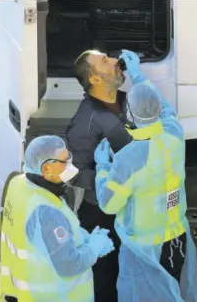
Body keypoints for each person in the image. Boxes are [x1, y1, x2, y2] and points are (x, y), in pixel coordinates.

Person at [93, 50, 197, 302]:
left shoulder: (127, 159)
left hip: (145, 251)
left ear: (128, 116)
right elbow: (165, 109)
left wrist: (102, 167)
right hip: (178, 239)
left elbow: (109, 204)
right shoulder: (174, 135)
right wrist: (138, 75)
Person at [0, 135, 114, 302]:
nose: (70, 166)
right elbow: (70, 265)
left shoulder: (18, 183)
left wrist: (84, 237)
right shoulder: (46, 211)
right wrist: (94, 248)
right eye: (64, 162)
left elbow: (38, 234)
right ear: (46, 169)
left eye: (68, 157)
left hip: (19, 292)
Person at [66, 49, 133, 302]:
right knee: (107, 282)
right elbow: (75, 173)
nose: (117, 62)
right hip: (103, 215)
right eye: (105, 61)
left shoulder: (128, 102)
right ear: (93, 79)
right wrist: (107, 179)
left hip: (128, 208)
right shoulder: (86, 122)